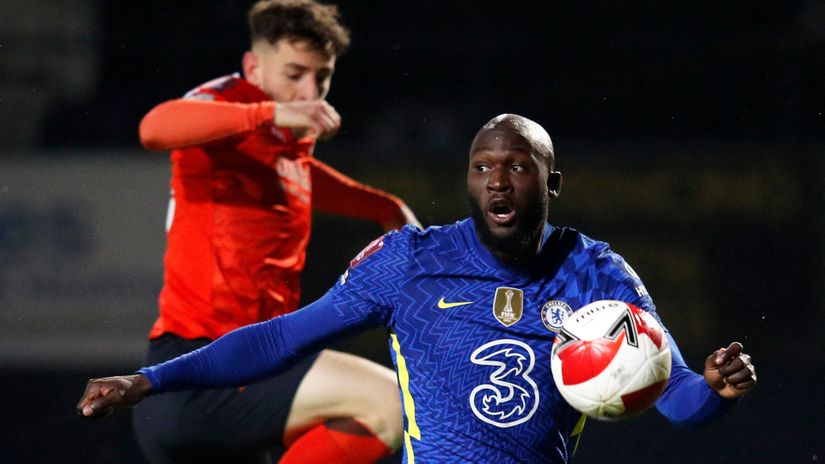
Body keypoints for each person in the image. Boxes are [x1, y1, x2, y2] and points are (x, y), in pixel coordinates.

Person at [78, 114, 757, 463]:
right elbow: (286, 336)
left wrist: (716, 392)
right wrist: (152, 381)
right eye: (481, 166)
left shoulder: (595, 276)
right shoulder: (409, 262)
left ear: (549, 182)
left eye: (517, 166)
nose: (497, 179)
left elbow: (676, 400)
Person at [117, 1, 420, 463]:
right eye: (294, 73)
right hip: (202, 372)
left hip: (250, 374)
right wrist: (268, 113)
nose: (309, 91)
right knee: (392, 405)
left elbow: (294, 173)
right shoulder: (229, 106)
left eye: (322, 77)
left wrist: (383, 207)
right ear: (252, 67)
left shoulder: (283, 144)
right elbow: (153, 129)